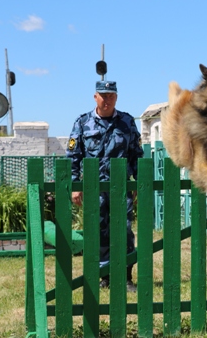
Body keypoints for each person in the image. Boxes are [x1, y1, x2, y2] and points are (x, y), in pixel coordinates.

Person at [66, 80, 144, 292]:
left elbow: (136, 154)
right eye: (103, 95)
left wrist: (137, 181)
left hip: (121, 188)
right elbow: (73, 156)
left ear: (116, 97)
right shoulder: (82, 123)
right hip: (94, 188)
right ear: (95, 97)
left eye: (111, 96)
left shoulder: (127, 122)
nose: (107, 99)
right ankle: (104, 277)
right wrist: (75, 185)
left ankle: (126, 277)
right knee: (98, 231)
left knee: (124, 231)